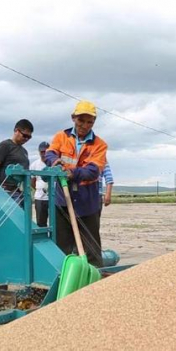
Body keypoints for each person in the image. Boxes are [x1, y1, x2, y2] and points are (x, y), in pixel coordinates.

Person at [45, 101, 107, 267]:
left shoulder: (100, 145)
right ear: (73, 118)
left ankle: (95, 279)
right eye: (81, 120)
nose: (85, 125)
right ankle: (61, 277)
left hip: (87, 202)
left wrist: (72, 172)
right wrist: (55, 161)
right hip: (62, 200)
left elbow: (93, 171)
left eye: (90, 122)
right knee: (62, 245)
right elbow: (50, 154)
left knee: (91, 247)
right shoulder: (61, 137)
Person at [0, 119, 34, 205]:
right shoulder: (5, 146)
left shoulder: (24, 151)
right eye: (24, 135)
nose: (26, 139)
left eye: (29, 137)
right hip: (5, 192)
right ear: (16, 130)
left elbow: (26, 174)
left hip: (18, 192)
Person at [30, 141, 50, 227]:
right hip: (40, 198)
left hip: (54, 198)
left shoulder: (53, 164)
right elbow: (32, 181)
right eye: (42, 151)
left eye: (46, 151)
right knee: (41, 224)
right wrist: (39, 189)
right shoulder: (34, 165)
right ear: (39, 152)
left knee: (56, 223)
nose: (44, 154)